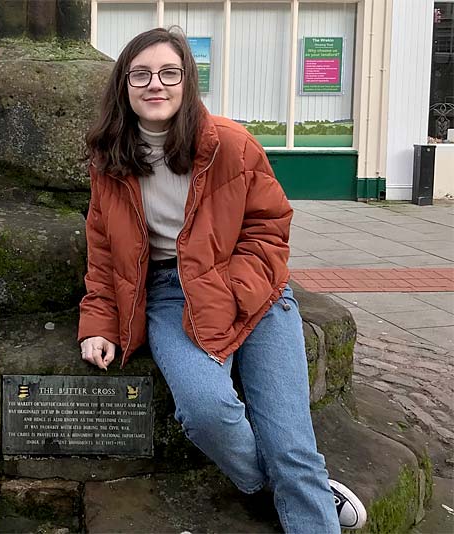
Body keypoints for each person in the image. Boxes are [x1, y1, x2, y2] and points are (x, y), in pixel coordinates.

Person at [78, 27, 367, 533]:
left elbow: (270, 229)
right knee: (207, 411)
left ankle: (302, 488)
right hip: (170, 294)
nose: (156, 85)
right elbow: (104, 253)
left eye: (170, 73)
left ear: (188, 82)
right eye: (141, 74)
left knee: (292, 447)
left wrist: (231, 292)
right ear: (123, 86)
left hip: (255, 291)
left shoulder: (230, 145)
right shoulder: (110, 159)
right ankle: (291, 489)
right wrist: (98, 322)